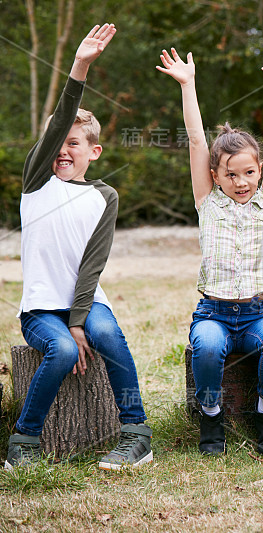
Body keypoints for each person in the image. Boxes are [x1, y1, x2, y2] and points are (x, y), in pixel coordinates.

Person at [6, 24, 154, 471]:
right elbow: (61, 116)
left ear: (95, 151)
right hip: (39, 310)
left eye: (74, 144)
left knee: (106, 334)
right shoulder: (37, 183)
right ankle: (23, 442)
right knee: (65, 351)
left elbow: (93, 266)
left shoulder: (103, 197)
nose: (63, 151)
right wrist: (80, 65)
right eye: (58, 143)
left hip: (85, 302)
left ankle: (136, 434)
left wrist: (79, 319)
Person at [157, 48, 263, 456]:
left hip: (258, 313)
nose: (241, 181)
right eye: (230, 174)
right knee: (208, 347)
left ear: (259, 172)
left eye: (249, 172)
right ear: (215, 176)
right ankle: (211, 417)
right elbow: (198, 139)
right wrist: (188, 84)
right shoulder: (208, 203)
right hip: (214, 312)